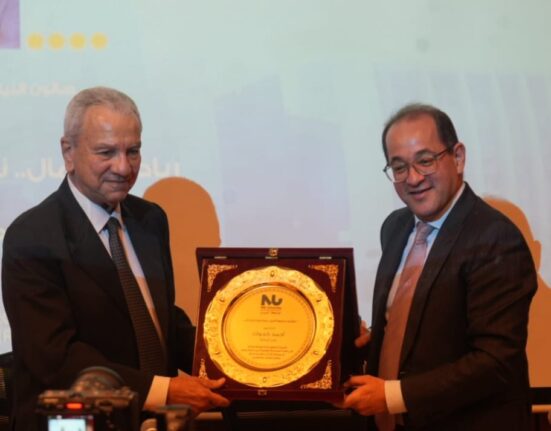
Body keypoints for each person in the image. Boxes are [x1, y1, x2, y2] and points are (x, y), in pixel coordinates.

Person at [1, 87, 229, 431]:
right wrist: (164, 391)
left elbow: (159, 321)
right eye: (106, 152)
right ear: (68, 152)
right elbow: (56, 358)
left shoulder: (150, 219)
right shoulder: (32, 236)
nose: (123, 167)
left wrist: (241, 359)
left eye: (133, 151)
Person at [342, 104, 537, 430]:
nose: (413, 178)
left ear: (458, 157)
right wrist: (379, 338)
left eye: (425, 160)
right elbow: (427, 325)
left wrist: (393, 396)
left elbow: (496, 360)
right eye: (399, 167)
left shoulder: (495, 238)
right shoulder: (395, 227)